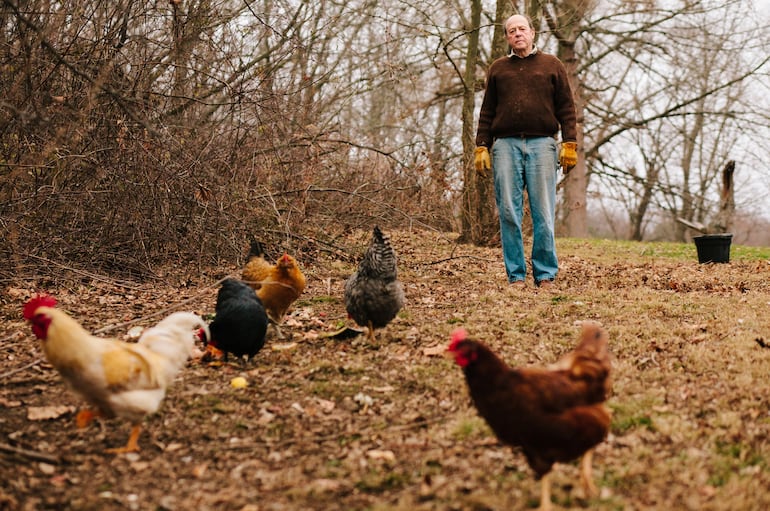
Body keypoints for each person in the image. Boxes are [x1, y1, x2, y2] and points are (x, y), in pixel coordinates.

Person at [474, 13, 577, 290]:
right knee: (508, 210)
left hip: (543, 144)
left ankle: (545, 274)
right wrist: (481, 145)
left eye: (522, 29)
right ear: (507, 37)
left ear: (532, 32)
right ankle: (516, 276)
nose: (517, 34)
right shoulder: (498, 69)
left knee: (543, 211)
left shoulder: (552, 65)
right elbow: (487, 110)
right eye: (511, 31)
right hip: (505, 145)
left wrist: (570, 142)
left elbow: (567, 106)